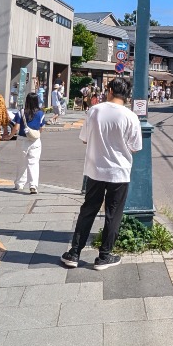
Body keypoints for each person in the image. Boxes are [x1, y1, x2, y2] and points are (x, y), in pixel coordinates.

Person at [61, 77, 143, 270]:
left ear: (110, 91)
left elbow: (84, 139)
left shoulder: (94, 111)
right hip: (119, 173)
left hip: (95, 170)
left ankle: (74, 253)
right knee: (113, 214)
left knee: (88, 210)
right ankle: (104, 257)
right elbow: (136, 147)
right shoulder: (131, 117)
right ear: (126, 95)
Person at [11, 94, 46, 194]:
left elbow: (16, 127)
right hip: (35, 140)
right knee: (33, 163)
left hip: (22, 139)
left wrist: (10, 136)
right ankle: (33, 185)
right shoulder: (40, 113)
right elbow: (41, 127)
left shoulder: (21, 112)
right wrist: (35, 134)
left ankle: (19, 184)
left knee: (21, 162)